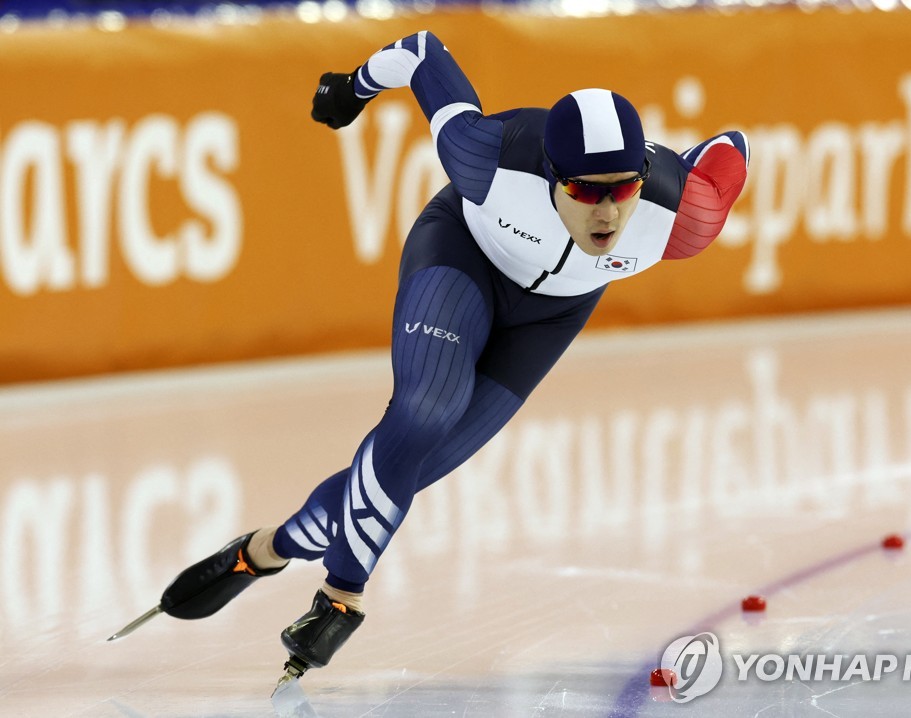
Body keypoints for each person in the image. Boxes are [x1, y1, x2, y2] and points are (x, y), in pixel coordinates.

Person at [109, 30, 749, 685]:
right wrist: (354, 86)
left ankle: (263, 551)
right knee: (424, 411)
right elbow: (421, 52)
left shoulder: (681, 216)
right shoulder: (489, 162)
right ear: (552, 176)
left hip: (551, 315)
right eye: (586, 192)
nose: (609, 212)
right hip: (462, 259)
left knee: (412, 467)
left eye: (623, 188)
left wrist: (684, 165)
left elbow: (730, 151)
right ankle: (341, 598)